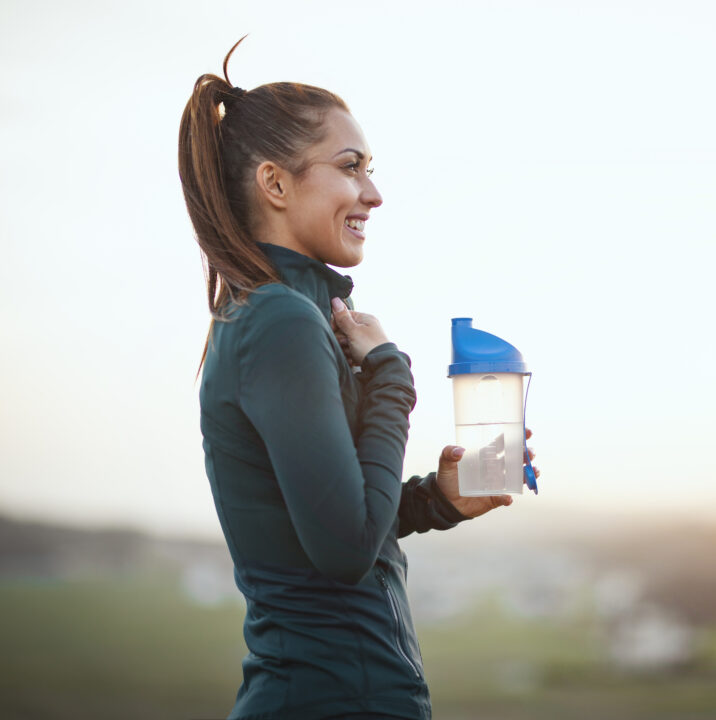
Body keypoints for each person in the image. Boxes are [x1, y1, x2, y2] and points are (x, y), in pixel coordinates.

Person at [178, 38, 538, 720]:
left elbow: (328, 526)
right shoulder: (280, 320)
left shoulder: (282, 316)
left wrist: (437, 501)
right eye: (351, 168)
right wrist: (390, 375)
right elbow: (344, 552)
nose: (373, 193)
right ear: (275, 183)